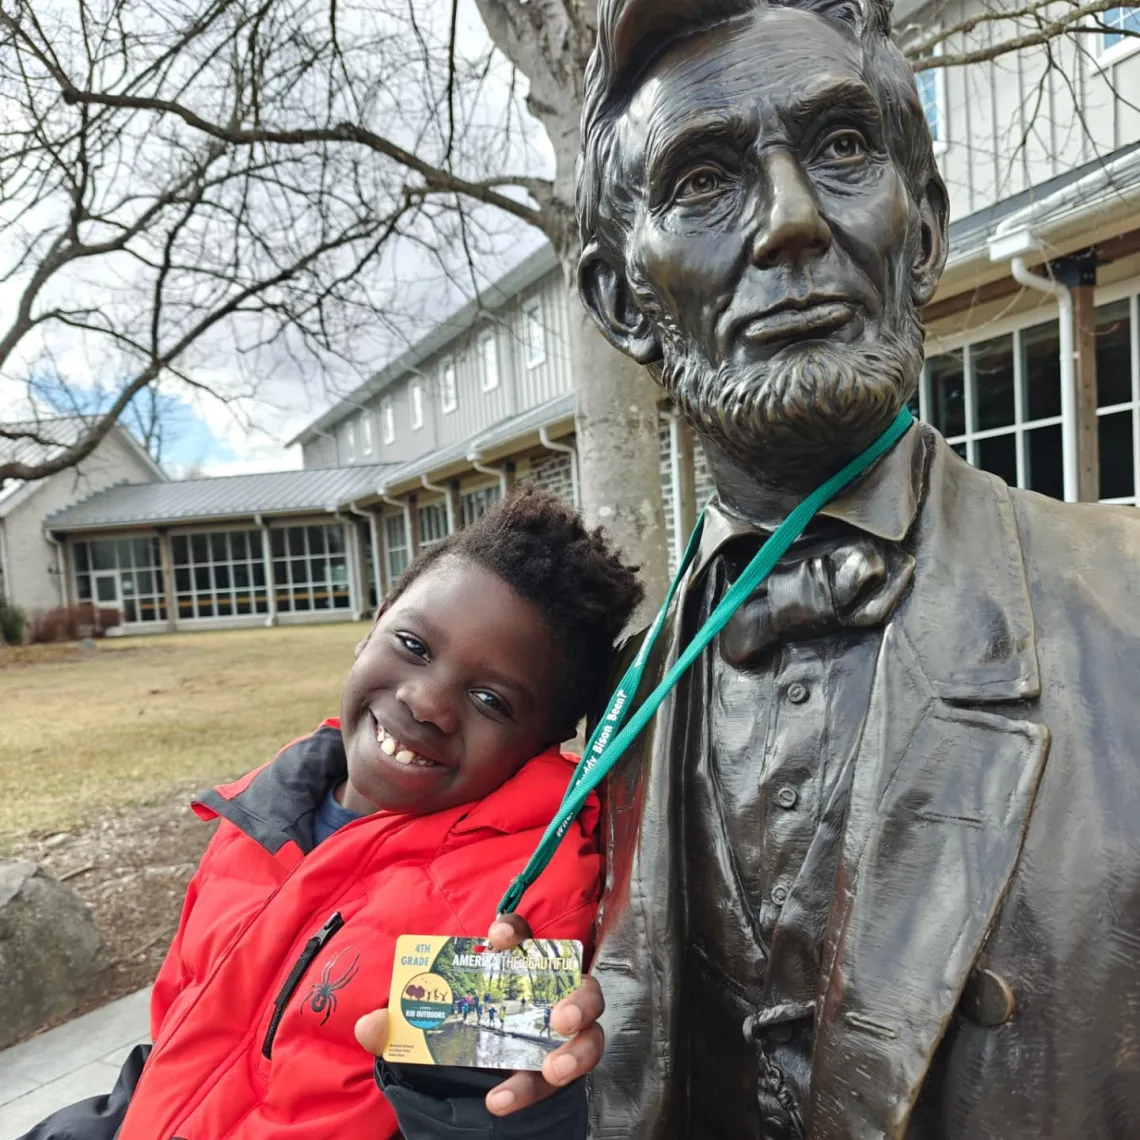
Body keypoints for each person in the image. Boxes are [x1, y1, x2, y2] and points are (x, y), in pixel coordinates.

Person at [573, 0, 1140, 1137]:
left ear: (922, 229)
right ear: (623, 300)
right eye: (703, 180)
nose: (790, 222)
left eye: (840, 149)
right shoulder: (606, 709)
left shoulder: (1127, 611)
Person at [21, 487, 638, 1140]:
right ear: (372, 626)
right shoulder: (259, 813)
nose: (426, 701)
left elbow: (492, 1115)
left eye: (490, 698)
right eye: (414, 644)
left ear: (545, 742)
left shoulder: (519, 903)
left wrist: (500, 1103)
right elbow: (178, 1047)